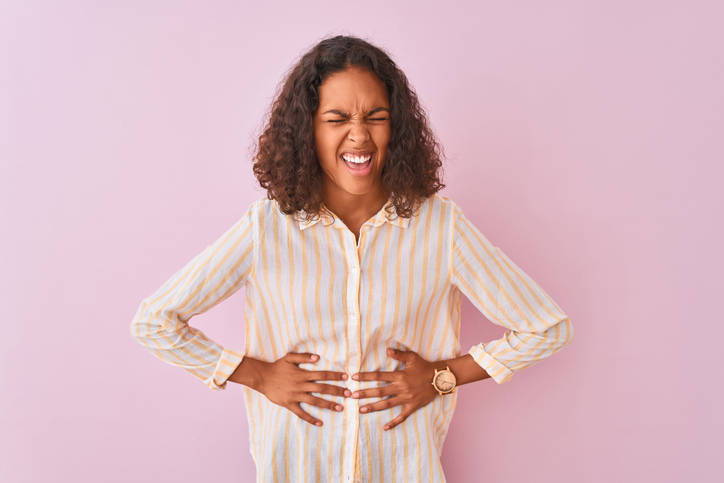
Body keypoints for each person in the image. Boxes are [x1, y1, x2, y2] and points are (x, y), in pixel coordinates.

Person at [130, 35, 573, 483]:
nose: (359, 134)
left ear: (395, 127)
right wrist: (256, 375)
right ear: (309, 129)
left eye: (376, 118)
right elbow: (156, 321)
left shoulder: (441, 227)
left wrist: (444, 376)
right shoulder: (266, 228)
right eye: (337, 117)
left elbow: (547, 327)